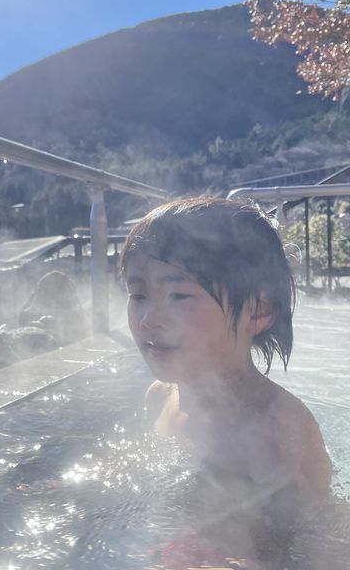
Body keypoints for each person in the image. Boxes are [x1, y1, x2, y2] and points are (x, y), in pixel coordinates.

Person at [119, 196, 332, 564]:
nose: (149, 318)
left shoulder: (279, 432)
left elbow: (316, 543)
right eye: (139, 295)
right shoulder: (160, 397)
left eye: (179, 295)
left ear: (259, 310)